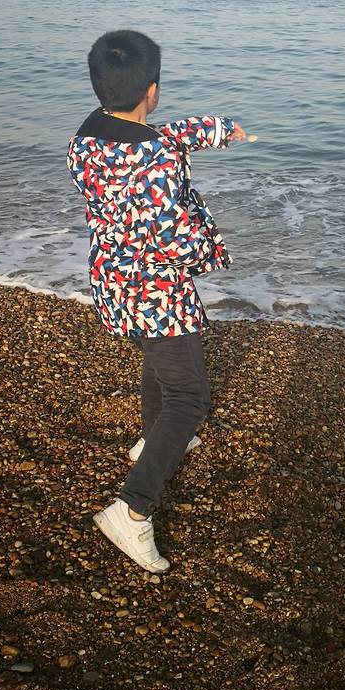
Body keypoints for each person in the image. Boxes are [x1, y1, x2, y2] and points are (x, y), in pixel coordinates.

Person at [67, 29, 246, 573]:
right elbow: (170, 234)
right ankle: (133, 509)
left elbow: (159, 137)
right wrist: (207, 251)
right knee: (189, 397)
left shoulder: (88, 135)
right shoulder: (156, 161)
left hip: (114, 277)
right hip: (157, 286)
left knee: (158, 357)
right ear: (152, 90)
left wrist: (217, 129)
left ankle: (152, 440)